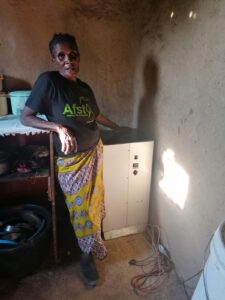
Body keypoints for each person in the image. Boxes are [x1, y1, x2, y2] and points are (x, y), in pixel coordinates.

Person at [20, 32, 121, 286]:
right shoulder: (48, 82)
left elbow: (96, 116)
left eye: (73, 55)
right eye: (61, 56)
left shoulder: (85, 88)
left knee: (94, 206)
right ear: (54, 60)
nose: (68, 61)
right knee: (81, 212)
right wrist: (59, 128)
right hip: (72, 163)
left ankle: (89, 250)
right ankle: (85, 257)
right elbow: (26, 117)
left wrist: (118, 127)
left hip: (94, 153)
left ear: (79, 57)